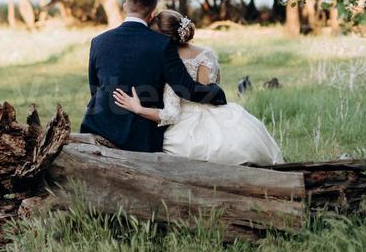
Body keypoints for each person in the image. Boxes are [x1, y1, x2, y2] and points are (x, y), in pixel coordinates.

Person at [111, 9, 284, 165]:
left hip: (186, 124)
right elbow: (214, 86)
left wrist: (138, 109)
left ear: (161, 39)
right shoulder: (207, 53)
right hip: (220, 113)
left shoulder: (172, 64)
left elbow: (171, 114)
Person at [80, 0, 226, 152]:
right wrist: (216, 92)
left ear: (125, 7)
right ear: (152, 13)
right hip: (139, 136)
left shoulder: (98, 41)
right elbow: (186, 89)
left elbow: (95, 88)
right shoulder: (162, 45)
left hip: (98, 125)